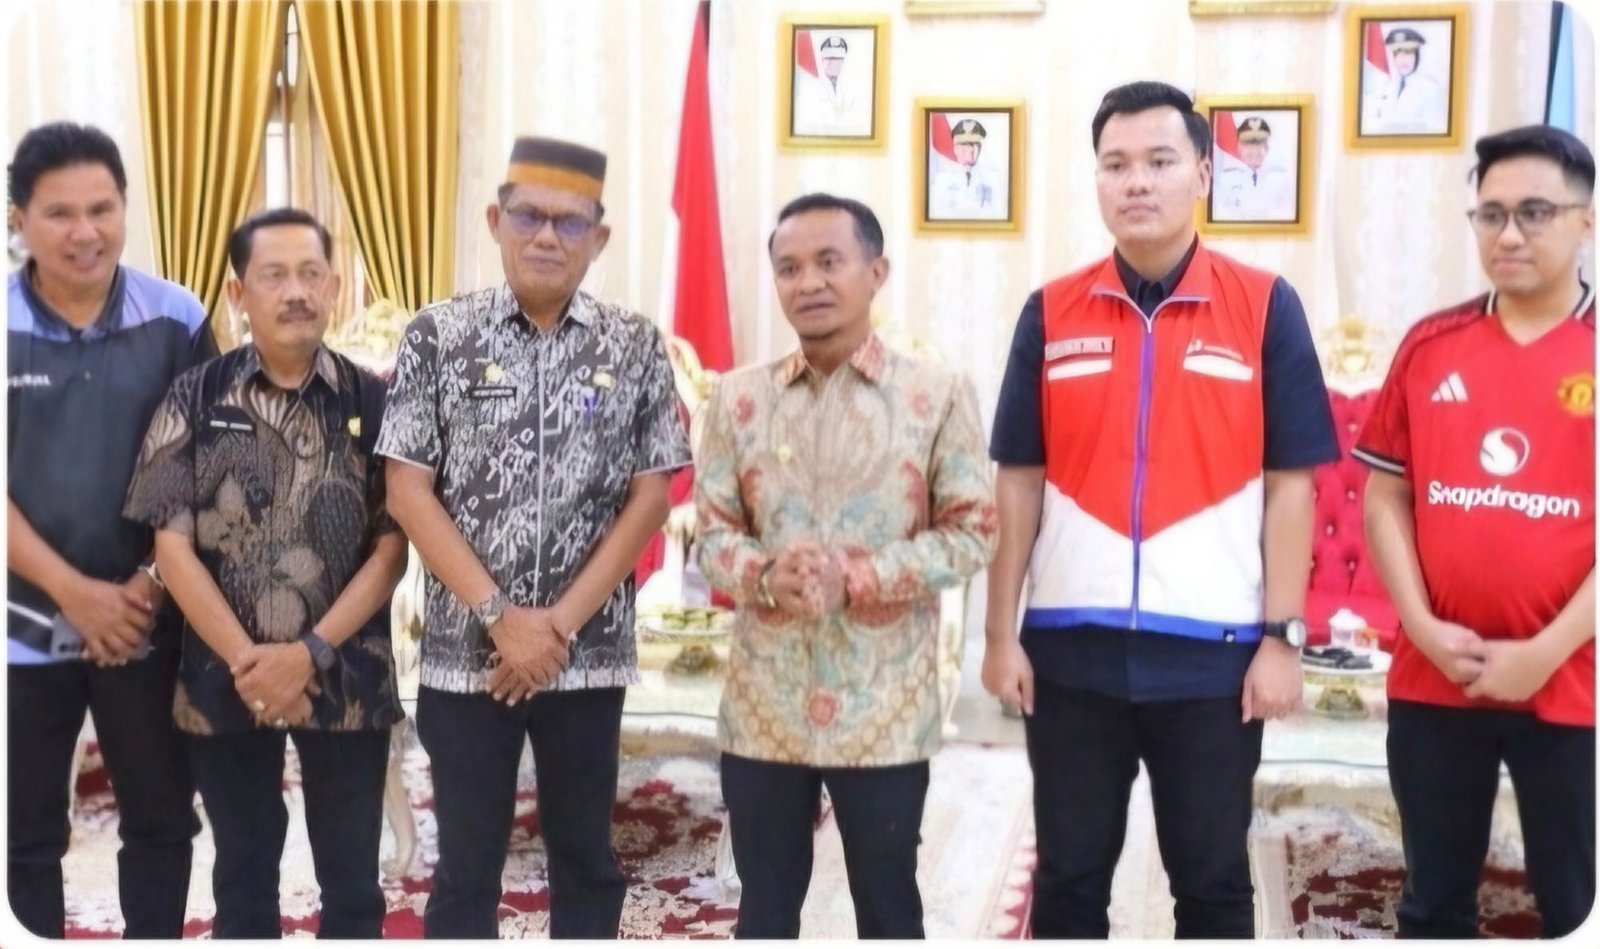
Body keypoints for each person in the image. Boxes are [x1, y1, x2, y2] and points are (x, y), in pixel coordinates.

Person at [982, 81, 1339, 939]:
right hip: (1071, 653)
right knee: (1067, 882)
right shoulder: (1051, 311)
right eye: (1115, 164)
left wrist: (1282, 639)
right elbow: (1018, 480)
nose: (1136, 181)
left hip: (1213, 658)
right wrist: (999, 635)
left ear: (1204, 174)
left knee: (1212, 887)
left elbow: (1292, 485)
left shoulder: (1265, 306)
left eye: (1159, 160)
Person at [379, 136, 690, 938]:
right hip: (467, 654)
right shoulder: (439, 336)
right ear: (496, 221)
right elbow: (407, 489)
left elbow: (652, 496)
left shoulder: (633, 344)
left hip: (585, 655)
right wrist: (501, 617)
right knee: (467, 866)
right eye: (529, 216)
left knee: (585, 856)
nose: (547, 236)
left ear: (600, 237)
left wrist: (553, 628)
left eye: (570, 222)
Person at [693, 193, 997, 939]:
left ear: (876, 271)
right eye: (789, 268)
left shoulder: (935, 394)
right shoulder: (737, 398)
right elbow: (711, 537)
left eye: (829, 262)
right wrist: (766, 576)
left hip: (882, 708)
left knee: (889, 908)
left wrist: (857, 577)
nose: (809, 282)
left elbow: (973, 531)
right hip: (765, 707)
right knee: (764, 909)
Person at [122, 207, 406, 937]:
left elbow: (391, 549)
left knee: (354, 882)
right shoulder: (194, 396)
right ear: (237, 292)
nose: (296, 291)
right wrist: (250, 660)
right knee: (242, 876)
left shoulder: (374, 401)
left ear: (334, 286)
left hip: (347, 671)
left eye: (311, 274)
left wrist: (308, 653)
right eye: (274, 275)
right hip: (225, 674)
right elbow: (170, 545)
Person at [1354, 124, 1595, 939]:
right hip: (1435, 676)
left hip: (1572, 679)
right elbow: (1385, 497)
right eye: (1490, 214)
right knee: (1433, 902)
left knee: (1575, 904)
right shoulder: (1432, 344)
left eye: (1534, 212)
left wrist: (1545, 650)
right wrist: (1421, 626)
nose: (1510, 234)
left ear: (1586, 221)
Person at [6, 121, 211, 938]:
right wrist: (72, 592)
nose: (84, 231)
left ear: (127, 208)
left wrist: (148, 585)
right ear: (18, 220)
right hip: (19, 626)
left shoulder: (177, 317)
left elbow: (206, 470)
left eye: (101, 209)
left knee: (160, 820)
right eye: (59, 213)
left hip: (145, 620)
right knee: (21, 834)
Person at [1364, 27, 1447, 135]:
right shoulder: (1388, 86)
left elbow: (1433, 129)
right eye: (1397, 54)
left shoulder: (1429, 89)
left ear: (1417, 56)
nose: (1402, 60)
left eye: (1408, 53)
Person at [1213, 116, 1294, 222]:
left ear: (1267, 147)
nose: (1254, 151)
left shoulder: (1283, 179)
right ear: (1239, 147)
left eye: (1259, 144)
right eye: (1248, 145)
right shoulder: (1225, 179)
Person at [794, 35, 868, 137]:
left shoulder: (854, 87)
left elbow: (860, 121)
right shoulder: (811, 87)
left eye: (838, 59)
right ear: (822, 61)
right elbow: (808, 122)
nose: (833, 63)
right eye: (828, 59)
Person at [931, 118, 1002, 220]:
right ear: (954, 148)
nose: (970, 151)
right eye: (963, 146)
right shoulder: (941, 181)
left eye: (975, 145)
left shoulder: (993, 180)